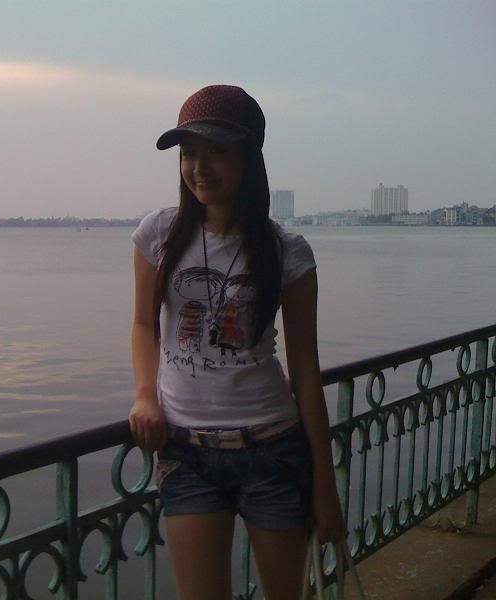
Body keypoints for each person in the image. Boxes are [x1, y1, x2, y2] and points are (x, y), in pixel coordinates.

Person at [128, 85, 345, 600]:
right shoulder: (159, 235)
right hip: (187, 455)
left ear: (250, 157)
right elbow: (143, 325)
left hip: (272, 449)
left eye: (217, 151)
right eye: (189, 154)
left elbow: (306, 372)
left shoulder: (287, 251)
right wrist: (145, 395)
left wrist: (325, 486)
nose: (199, 168)